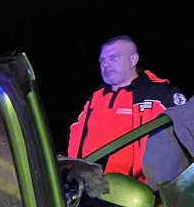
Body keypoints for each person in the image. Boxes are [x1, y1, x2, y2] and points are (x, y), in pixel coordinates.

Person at [68, 36, 185, 182]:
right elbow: (75, 134)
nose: (106, 64)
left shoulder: (160, 95)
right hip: (89, 190)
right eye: (102, 60)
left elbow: (186, 136)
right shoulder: (95, 98)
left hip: (142, 194)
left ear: (133, 60)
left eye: (113, 58)